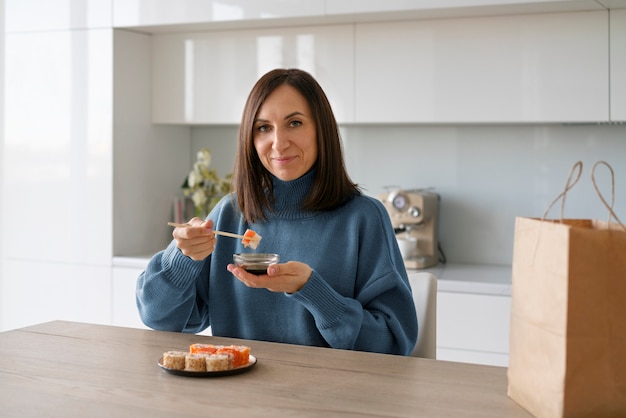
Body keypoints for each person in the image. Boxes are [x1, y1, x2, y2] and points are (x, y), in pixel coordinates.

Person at [136, 68, 418, 355]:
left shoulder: (364, 218)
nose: (279, 143)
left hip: (331, 396)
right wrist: (182, 258)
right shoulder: (230, 214)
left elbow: (394, 345)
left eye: (294, 123)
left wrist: (312, 290)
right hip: (237, 395)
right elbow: (161, 319)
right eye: (263, 128)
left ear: (322, 130)